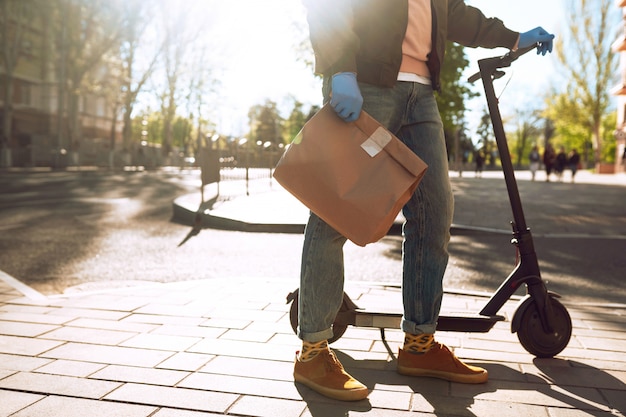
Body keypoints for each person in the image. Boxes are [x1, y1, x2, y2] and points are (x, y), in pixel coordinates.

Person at [296, 0, 555, 402]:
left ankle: (419, 344)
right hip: (365, 84)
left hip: (422, 95)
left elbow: (457, 14)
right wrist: (341, 69)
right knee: (335, 211)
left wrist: (515, 37)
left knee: (435, 213)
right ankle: (312, 350)